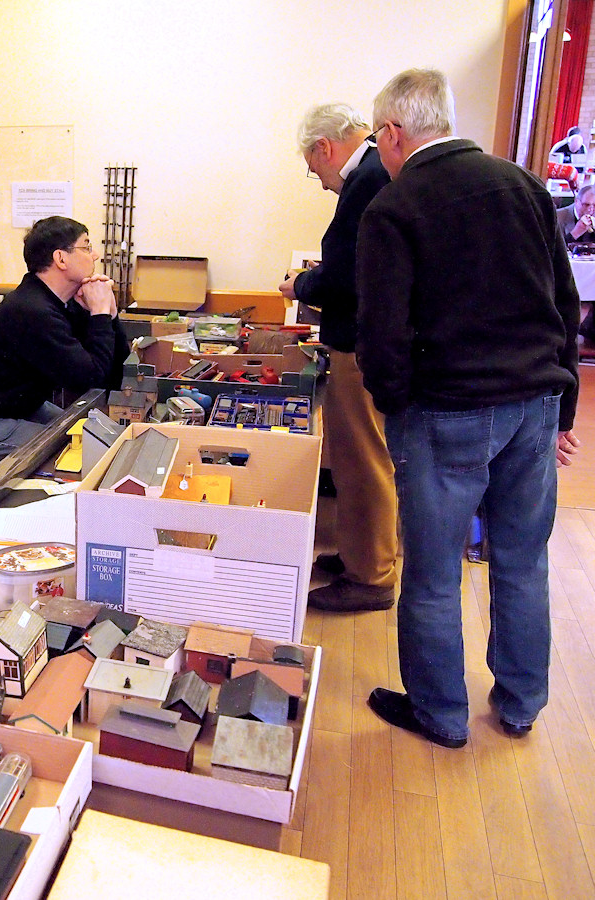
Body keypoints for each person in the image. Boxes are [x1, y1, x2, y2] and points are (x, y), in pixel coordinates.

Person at [356, 68, 581, 749]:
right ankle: (521, 703)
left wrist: (395, 408)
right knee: (522, 561)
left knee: (432, 574)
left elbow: (381, 333)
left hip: (446, 411)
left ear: (394, 133)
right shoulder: (524, 186)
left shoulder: (395, 208)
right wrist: (565, 409)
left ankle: (441, 713)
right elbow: (565, 304)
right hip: (534, 405)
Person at [279, 103, 398, 613]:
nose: (321, 181)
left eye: (314, 168)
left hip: (358, 345)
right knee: (354, 459)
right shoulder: (375, 170)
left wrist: (302, 284)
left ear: (324, 147)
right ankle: (358, 556)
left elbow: (347, 274)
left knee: (363, 460)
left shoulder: (366, 179)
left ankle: (370, 576)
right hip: (366, 341)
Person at [0, 216, 129, 457]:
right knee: (75, 451)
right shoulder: (32, 311)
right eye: (86, 247)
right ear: (61, 259)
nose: (95, 255)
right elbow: (89, 379)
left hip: (13, 408)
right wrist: (100, 315)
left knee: (93, 437)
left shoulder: (60, 303)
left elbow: (112, 373)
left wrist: (109, 315)